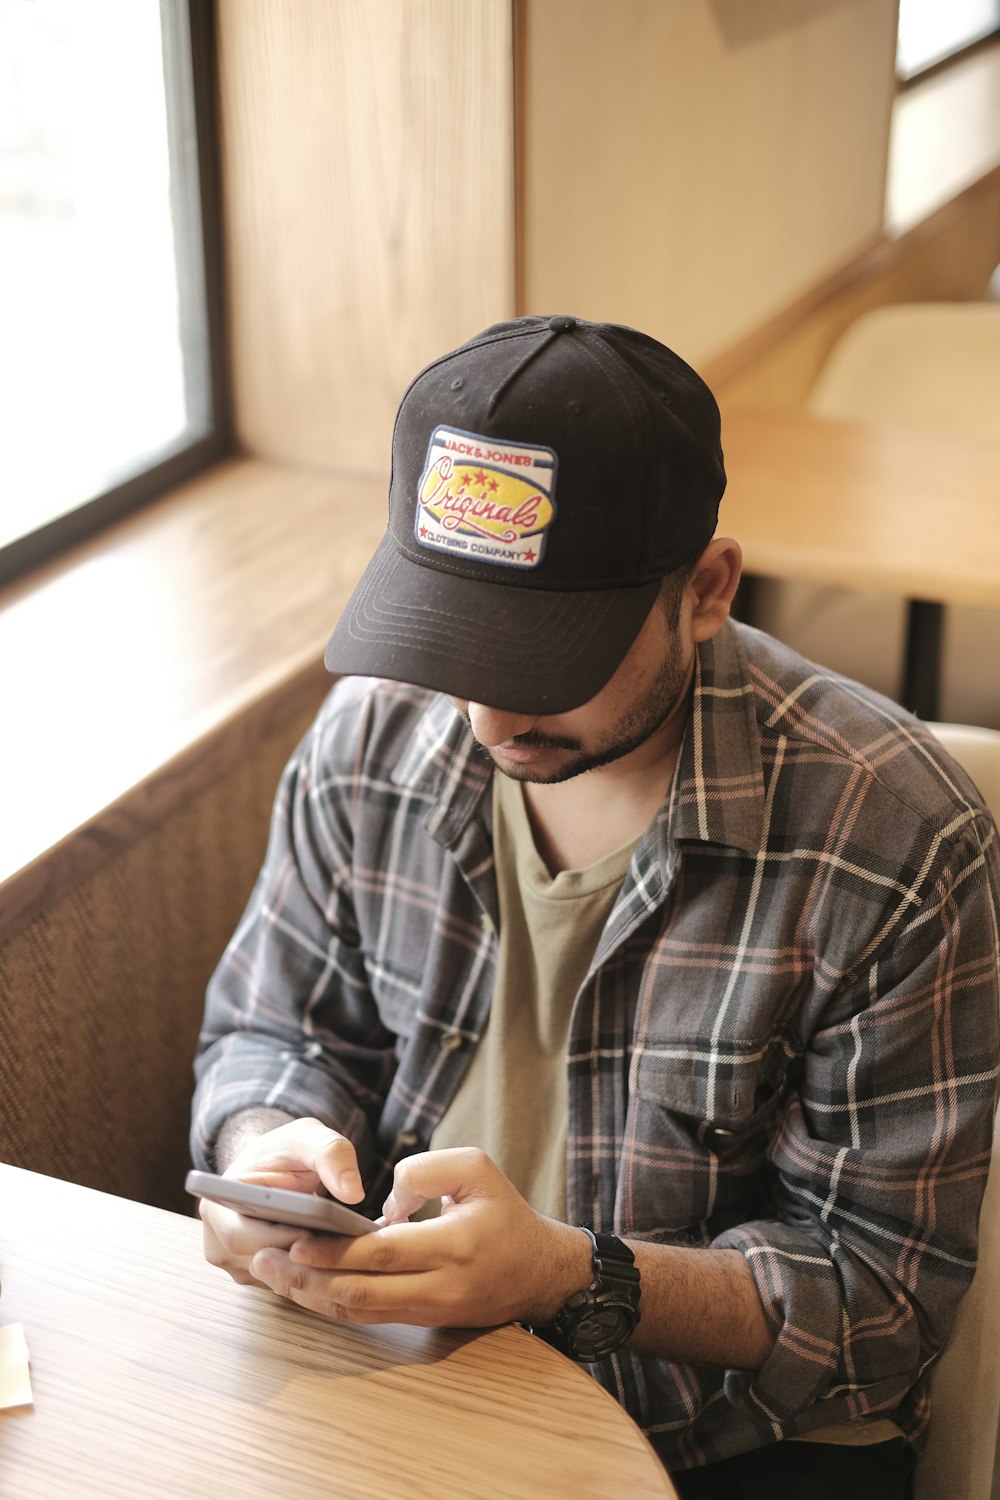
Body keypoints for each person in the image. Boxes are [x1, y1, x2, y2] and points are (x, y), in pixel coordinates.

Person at [191, 314, 1000, 1497]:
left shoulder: (891, 839)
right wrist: (263, 1153)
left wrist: (570, 1276)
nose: (485, 718)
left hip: (736, 1437)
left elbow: (877, 1301)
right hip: (426, 1370)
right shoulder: (371, 739)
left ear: (708, 590)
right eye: (458, 639)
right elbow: (273, 1032)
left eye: (548, 655)